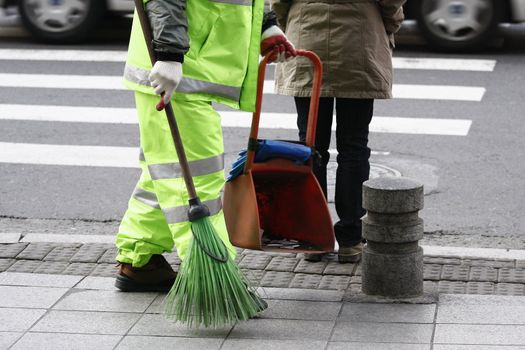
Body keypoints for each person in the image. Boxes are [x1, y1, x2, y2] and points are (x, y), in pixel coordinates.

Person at [115, 0, 296, 292]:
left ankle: (139, 260)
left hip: (192, 63)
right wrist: (169, 53)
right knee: (197, 180)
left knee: (166, 174)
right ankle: (215, 279)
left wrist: (264, 25)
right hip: (175, 69)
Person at [270, 0, 406, 263]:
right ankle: (350, 238)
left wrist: (290, 24)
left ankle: (314, 235)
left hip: (307, 36)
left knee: (311, 147)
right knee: (354, 146)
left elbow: (278, 2)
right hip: (360, 38)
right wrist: (389, 23)